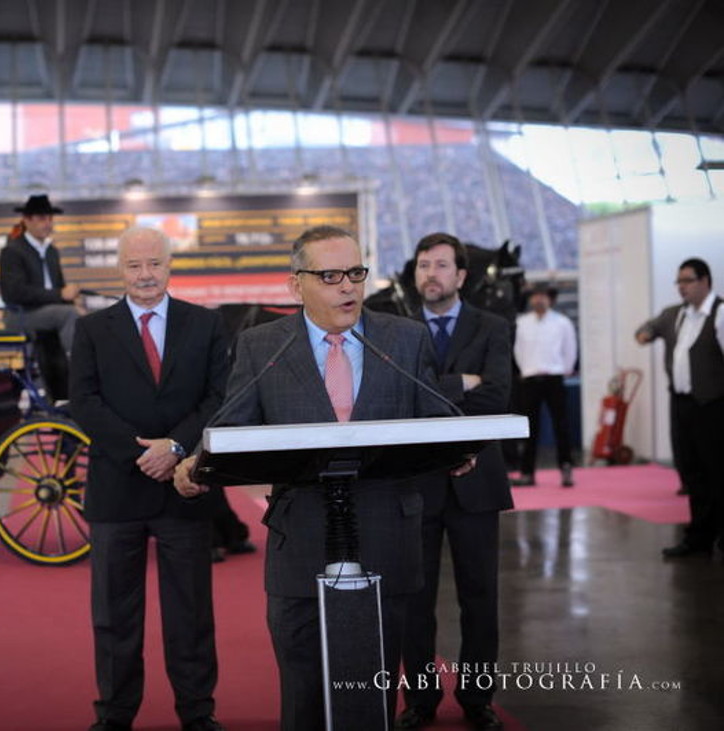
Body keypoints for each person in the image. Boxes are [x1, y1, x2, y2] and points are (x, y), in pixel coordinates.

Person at [175, 225, 456, 731]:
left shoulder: (404, 339)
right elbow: (232, 420)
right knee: (303, 690)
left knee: (372, 694)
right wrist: (195, 462)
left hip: (387, 533)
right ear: (296, 285)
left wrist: (461, 447)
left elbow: (435, 414)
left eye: (354, 273)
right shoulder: (263, 347)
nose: (347, 286)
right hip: (298, 538)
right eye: (329, 276)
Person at [70, 226, 229, 731]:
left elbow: (216, 397)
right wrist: (141, 455)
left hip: (184, 486)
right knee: (115, 616)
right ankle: (114, 715)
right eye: (135, 265)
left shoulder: (204, 324)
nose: (145, 275)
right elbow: (84, 403)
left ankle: (198, 714)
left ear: (169, 265)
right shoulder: (93, 330)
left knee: (191, 615)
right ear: (120, 268)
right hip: (117, 489)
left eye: (154, 264)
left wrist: (175, 448)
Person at [398, 233, 513, 731]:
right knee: (414, 602)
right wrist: (461, 383)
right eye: (424, 265)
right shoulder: (396, 331)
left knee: (479, 597)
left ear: (461, 276)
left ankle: (477, 698)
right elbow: (401, 400)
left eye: (441, 265)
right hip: (415, 483)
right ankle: (420, 702)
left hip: (476, 478)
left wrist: (461, 441)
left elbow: (498, 397)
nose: (431, 274)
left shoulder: (493, 327)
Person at [635, 258, 724, 559]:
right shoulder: (677, 315)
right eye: (679, 282)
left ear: (705, 281)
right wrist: (645, 333)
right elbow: (647, 329)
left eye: (687, 280)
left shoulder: (720, 312)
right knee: (692, 473)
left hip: (713, 405)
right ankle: (698, 537)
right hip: (682, 402)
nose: (681, 287)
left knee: (717, 472)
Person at [511, 285, 578, 487]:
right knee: (529, 429)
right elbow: (518, 350)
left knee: (562, 426)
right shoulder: (521, 323)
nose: (539, 300)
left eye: (543, 296)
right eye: (535, 296)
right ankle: (527, 472)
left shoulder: (562, 322)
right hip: (530, 378)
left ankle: (566, 468)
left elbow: (570, 349)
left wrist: (564, 369)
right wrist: (525, 370)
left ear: (551, 299)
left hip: (554, 377)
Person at [0, 194, 81, 356]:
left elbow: (59, 288)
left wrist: (72, 300)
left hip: (50, 312)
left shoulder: (52, 252)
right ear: (27, 220)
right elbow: (14, 293)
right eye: (42, 218)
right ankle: (76, 366)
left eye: (50, 219)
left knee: (83, 316)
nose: (48, 223)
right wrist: (60, 294)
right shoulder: (12, 251)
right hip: (21, 314)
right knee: (68, 314)